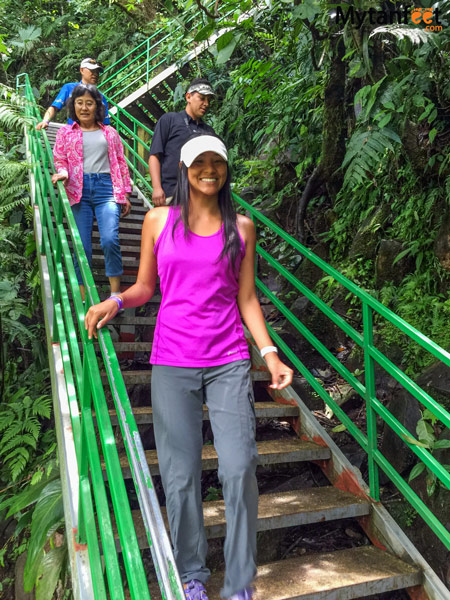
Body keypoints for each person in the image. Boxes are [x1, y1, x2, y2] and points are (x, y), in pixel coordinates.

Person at [85, 133, 294, 600]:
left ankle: (240, 581)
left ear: (225, 169)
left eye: (216, 162)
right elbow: (144, 287)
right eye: (199, 162)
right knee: (179, 475)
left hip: (228, 360)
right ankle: (192, 574)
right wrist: (115, 301)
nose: (209, 170)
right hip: (172, 360)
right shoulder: (159, 220)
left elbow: (246, 298)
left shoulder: (241, 228)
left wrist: (271, 354)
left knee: (239, 468)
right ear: (183, 168)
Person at [51, 84, 131, 302]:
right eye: (79, 103)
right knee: (82, 245)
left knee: (109, 240)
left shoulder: (110, 133)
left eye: (89, 103)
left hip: (107, 188)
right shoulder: (65, 132)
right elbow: (60, 159)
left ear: (97, 106)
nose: (84, 107)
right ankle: (84, 297)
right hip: (78, 189)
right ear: (73, 106)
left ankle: (115, 294)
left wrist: (125, 192)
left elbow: (121, 163)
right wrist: (63, 172)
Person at [149, 77, 216, 206]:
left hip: (199, 198)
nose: (206, 103)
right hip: (171, 194)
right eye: (202, 98)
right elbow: (154, 156)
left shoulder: (209, 131)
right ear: (188, 97)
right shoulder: (169, 120)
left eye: (209, 100)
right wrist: (157, 188)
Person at [36, 58, 110, 130]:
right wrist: (45, 121)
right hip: (72, 135)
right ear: (81, 70)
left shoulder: (100, 97)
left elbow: (105, 124)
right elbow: (54, 107)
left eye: (97, 71)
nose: (95, 74)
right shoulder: (69, 88)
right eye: (92, 70)